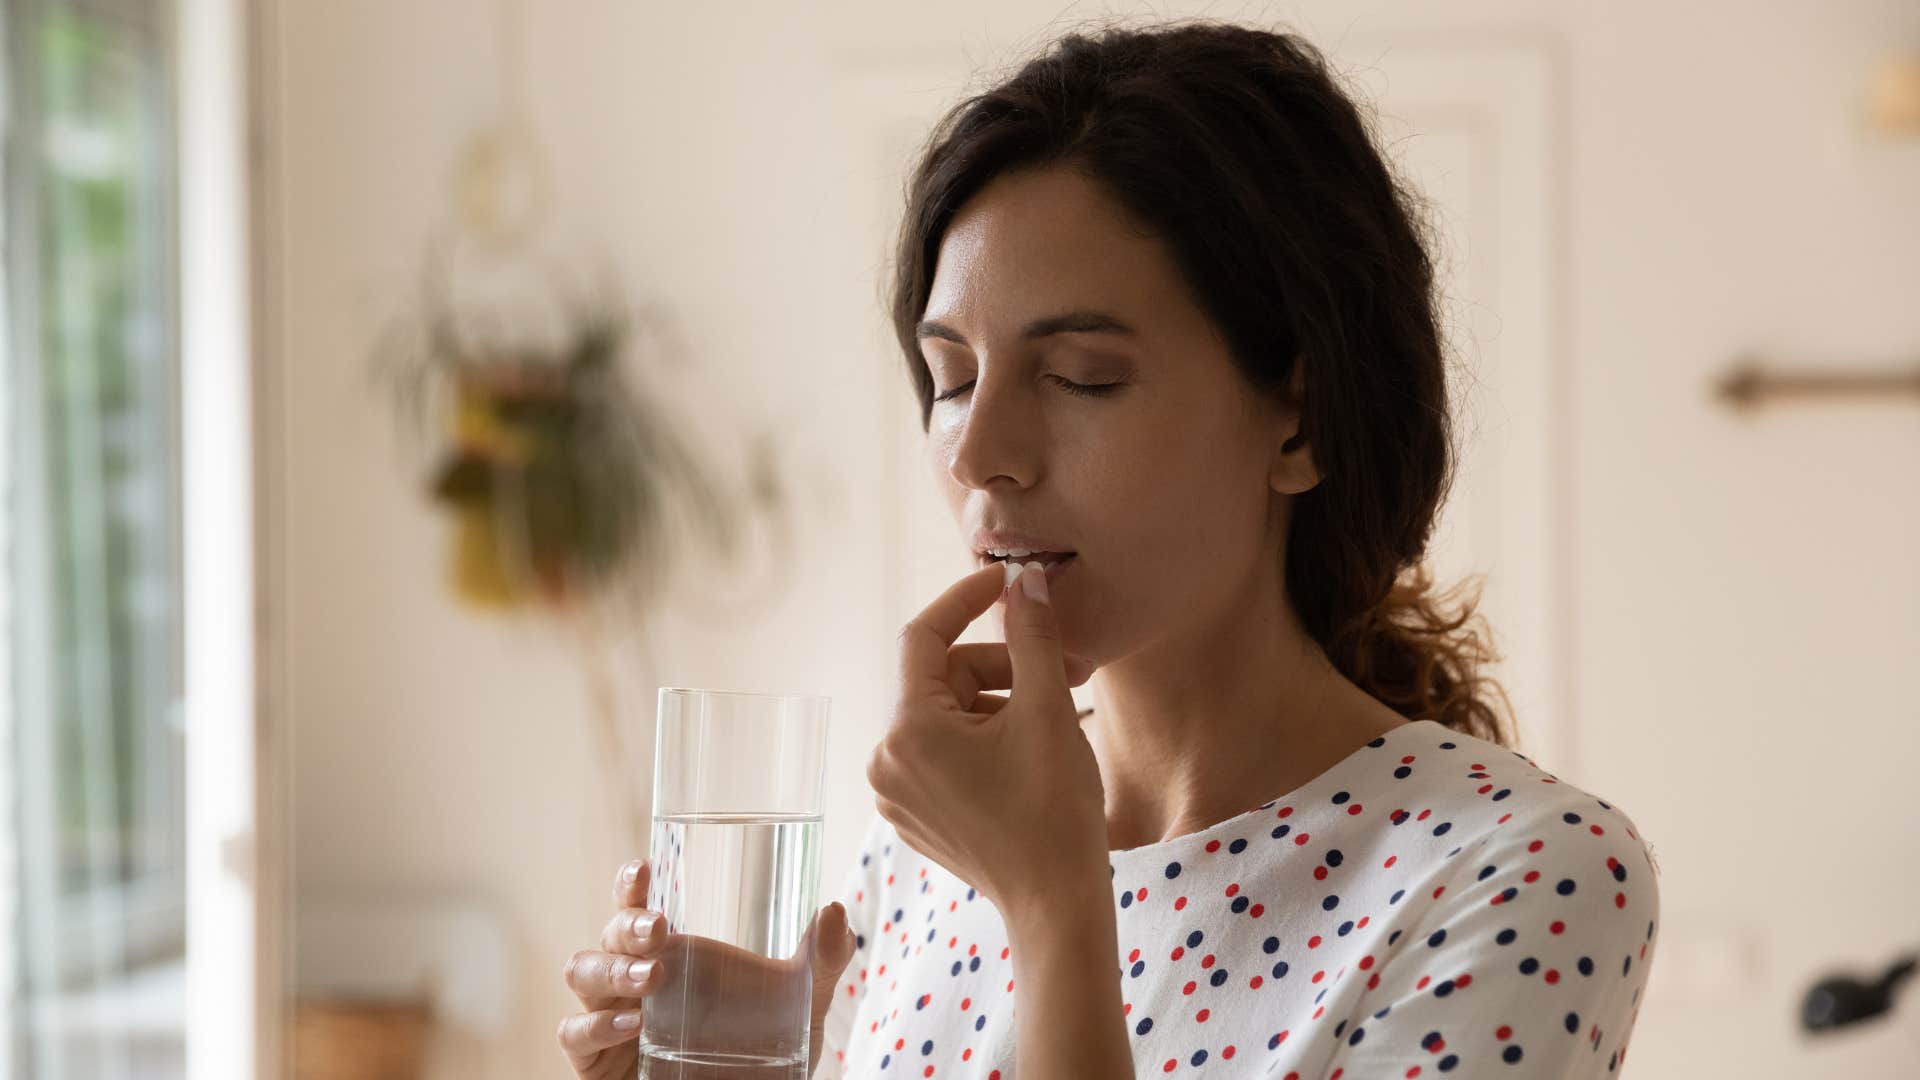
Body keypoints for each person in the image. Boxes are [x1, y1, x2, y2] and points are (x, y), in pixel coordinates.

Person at [559, 19, 1659, 1079]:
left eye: (1081, 375)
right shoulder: (924, 858)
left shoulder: (1523, 871)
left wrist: (1053, 905)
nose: (982, 452)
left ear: (1301, 423)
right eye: (950, 380)